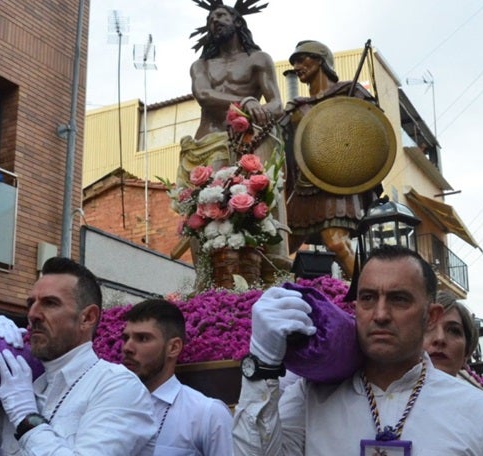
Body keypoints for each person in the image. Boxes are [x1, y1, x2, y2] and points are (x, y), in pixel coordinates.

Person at [232, 244, 483, 455]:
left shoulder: (482, 413)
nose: (381, 314)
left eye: (399, 299)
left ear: (431, 316)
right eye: (368, 298)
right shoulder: (311, 397)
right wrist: (262, 363)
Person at [0, 257, 156, 455]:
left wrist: (25, 416)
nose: (33, 314)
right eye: (31, 303)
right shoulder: (22, 388)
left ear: (88, 317)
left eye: (50, 303)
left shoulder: (117, 385)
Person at [180, 1, 288, 286]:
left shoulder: (258, 60)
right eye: (211, 18)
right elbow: (204, 94)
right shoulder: (201, 65)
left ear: (237, 22)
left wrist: (264, 109)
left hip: (250, 142)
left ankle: (269, 271)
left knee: (261, 198)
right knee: (200, 208)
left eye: (221, 15)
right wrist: (247, 102)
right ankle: (204, 277)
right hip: (209, 140)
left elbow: (277, 103)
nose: (215, 21)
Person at [283, 40, 383, 278]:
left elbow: (373, 131)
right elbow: (281, 145)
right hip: (303, 186)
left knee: (336, 242)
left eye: (302, 59)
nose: (297, 66)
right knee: (277, 248)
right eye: (294, 62)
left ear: (320, 60)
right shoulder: (297, 106)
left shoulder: (350, 92)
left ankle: (364, 295)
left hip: (336, 182)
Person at [121, 299, 233, 455]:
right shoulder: (107, 405)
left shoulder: (206, 414)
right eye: (126, 338)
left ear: (173, 348)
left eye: (143, 338)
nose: (127, 348)